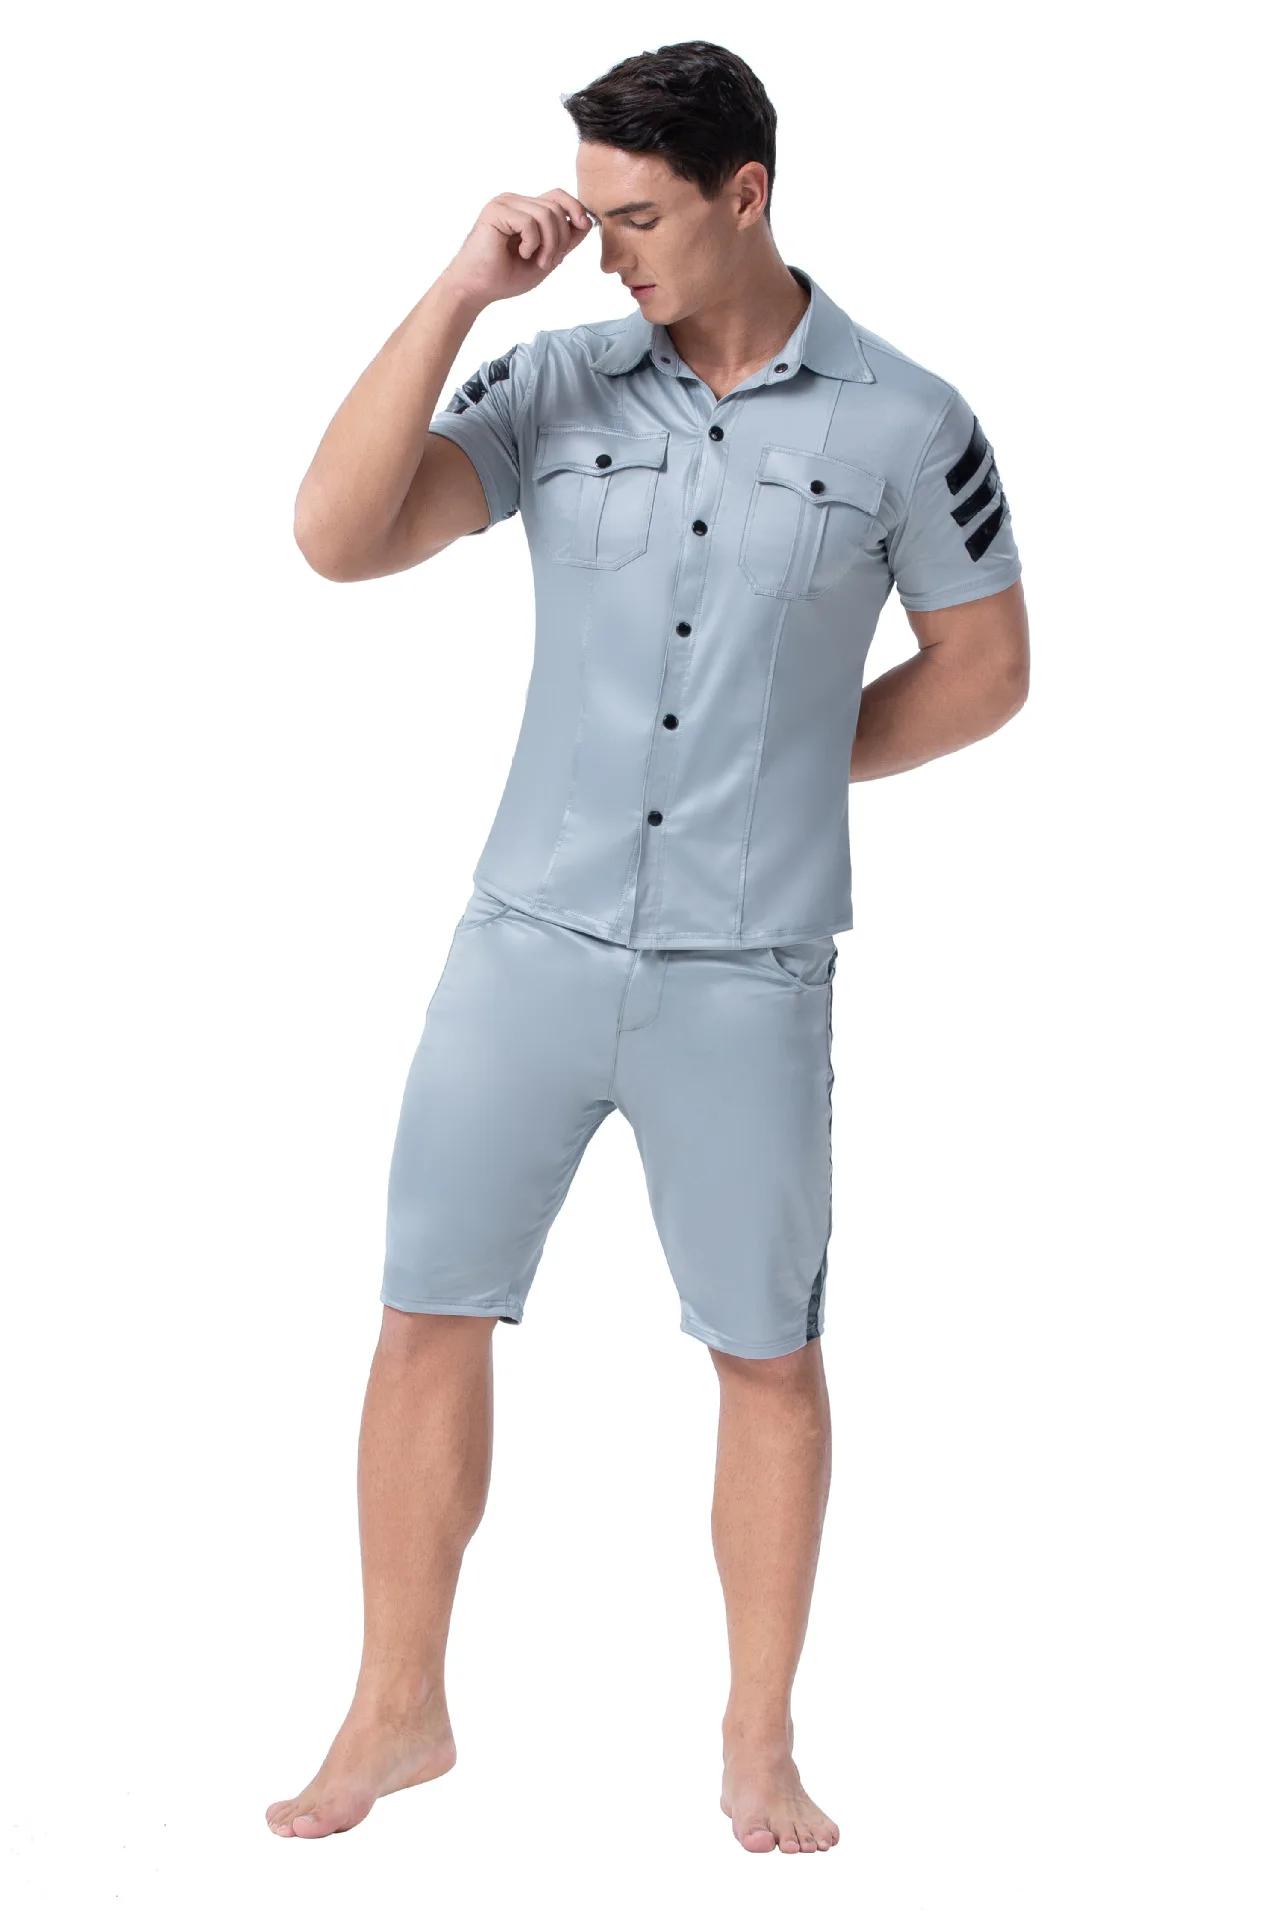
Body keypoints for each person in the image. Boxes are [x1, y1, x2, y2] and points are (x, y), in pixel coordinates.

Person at [267, 39, 1030, 1854]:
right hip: (521, 947)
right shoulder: (553, 382)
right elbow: (335, 538)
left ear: (743, 195)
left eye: (638, 219)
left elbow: (987, 671)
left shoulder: (909, 421)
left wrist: (789, 767)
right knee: (423, 1312)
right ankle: (395, 1709)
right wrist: (462, 290)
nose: (604, 252)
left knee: (764, 1350)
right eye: (591, 212)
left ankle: (758, 1745)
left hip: (745, 976)